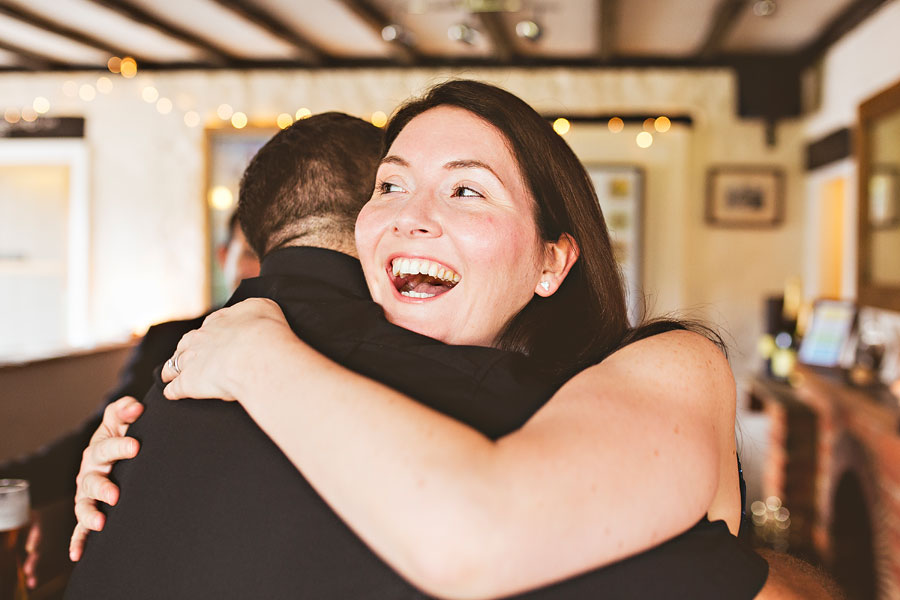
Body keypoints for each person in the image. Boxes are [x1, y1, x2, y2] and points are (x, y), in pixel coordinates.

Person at [64, 111, 769, 599]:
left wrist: (257, 356)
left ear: (552, 261)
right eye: (390, 186)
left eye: (466, 190)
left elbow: (478, 531)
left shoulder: (662, 366)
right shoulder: (213, 381)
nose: (410, 216)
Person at [0, 211, 258, 590]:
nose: (265, 269)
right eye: (250, 253)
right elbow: (95, 440)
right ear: (224, 257)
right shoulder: (166, 338)